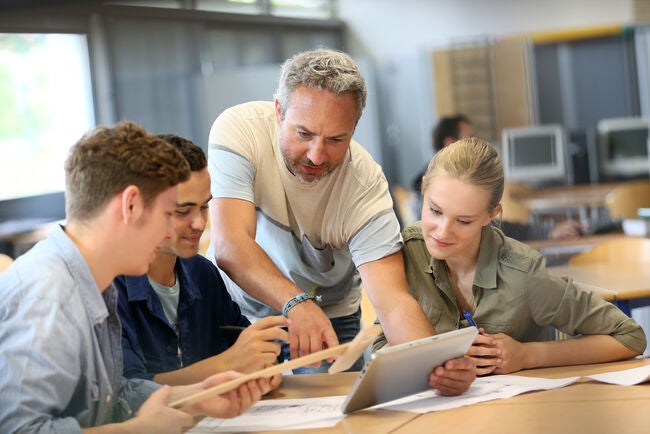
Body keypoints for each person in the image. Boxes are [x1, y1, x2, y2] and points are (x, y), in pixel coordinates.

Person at [207, 48, 475, 394]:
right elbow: (231, 246)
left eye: (336, 140)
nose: (317, 155)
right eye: (304, 134)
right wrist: (295, 303)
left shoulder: (365, 188)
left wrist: (437, 368)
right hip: (240, 310)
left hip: (329, 318)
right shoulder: (240, 131)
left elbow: (393, 302)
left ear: (354, 128)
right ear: (278, 112)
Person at [0, 122, 272, 433]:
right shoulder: (47, 294)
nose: (170, 232)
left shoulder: (94, 283)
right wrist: (139, 430)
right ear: (130, 205)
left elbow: (112, 398)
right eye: (169, 213)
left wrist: (197, 396)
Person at [375, 137, 646, 375]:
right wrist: (433, 359)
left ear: (491, 215)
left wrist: (527, 355)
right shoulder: (406, 252)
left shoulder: (523, 274)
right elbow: (380, 345)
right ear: (423, 189)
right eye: (435, 211)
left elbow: (629, 337)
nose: (442, 232)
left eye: (464, 221)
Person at [114, 134, 288, 387]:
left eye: (205, 207)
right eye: (183, 211)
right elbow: (128, 393)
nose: (199, 223)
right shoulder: (109, 289)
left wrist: (263, 365)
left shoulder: (202, 273)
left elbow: (243, 345)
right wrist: (227, 364)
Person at [412, 114, 584, 241]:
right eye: (469, 137)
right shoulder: (443, 186)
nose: (475, 142)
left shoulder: (461, 184)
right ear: (450, 143)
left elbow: (493, 228)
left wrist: (547, 232)